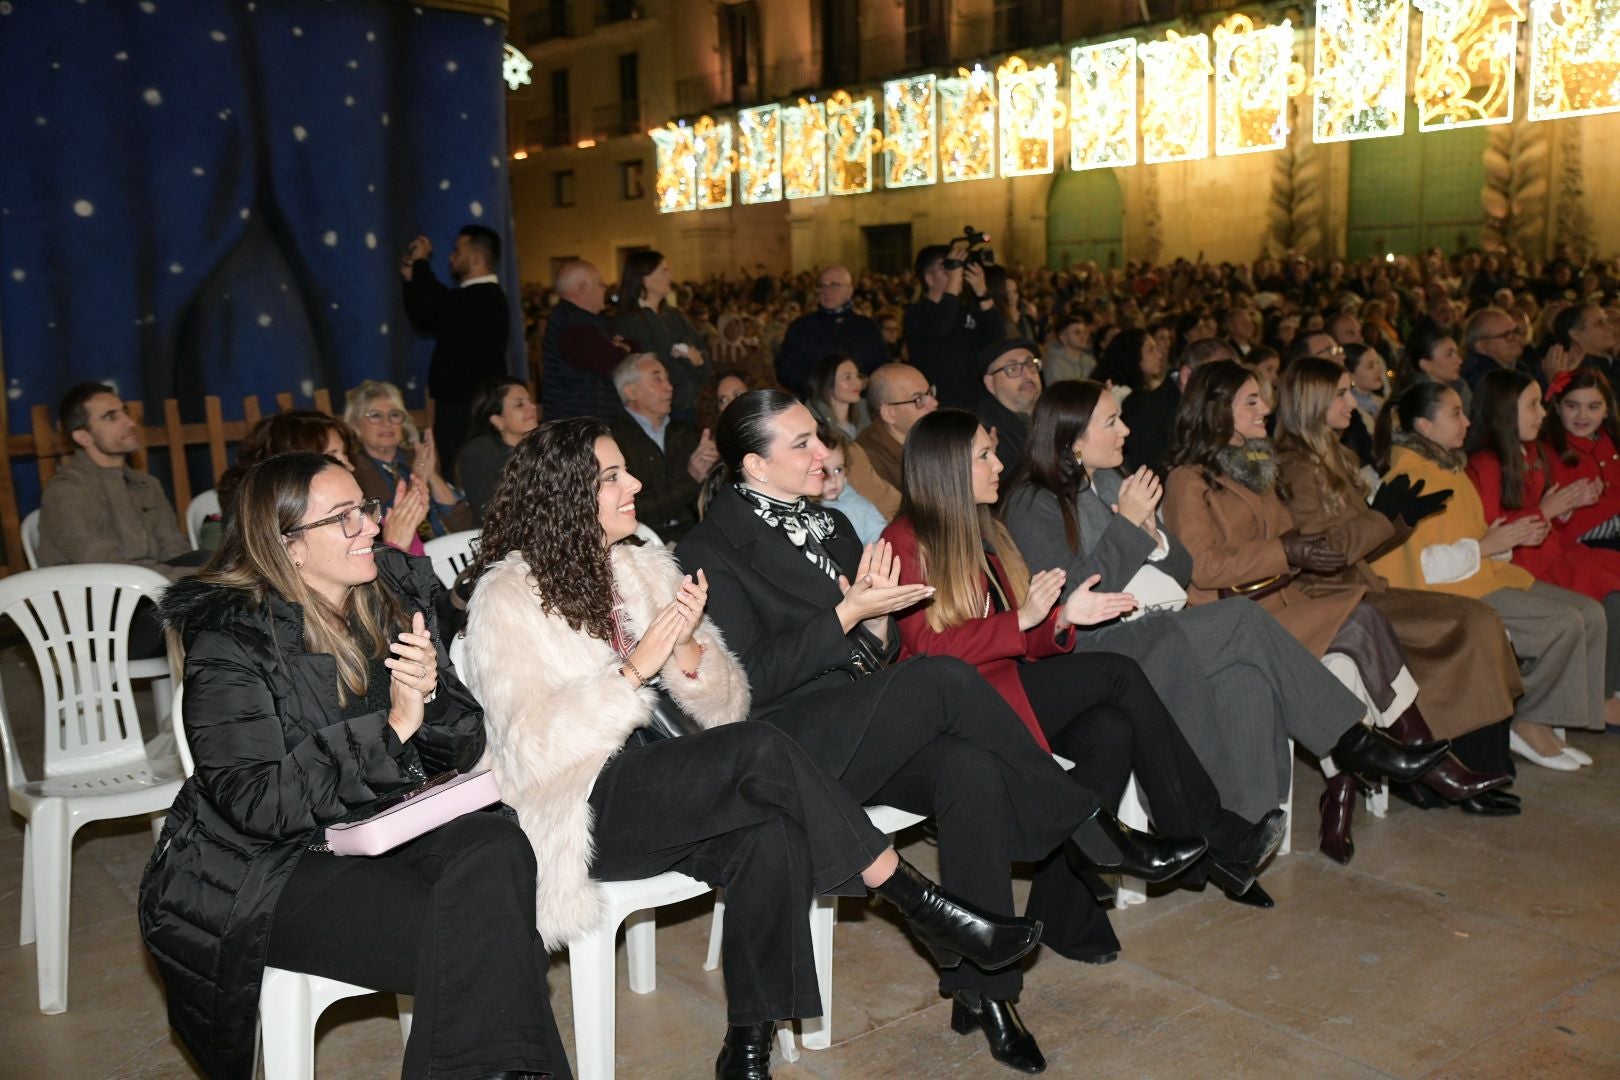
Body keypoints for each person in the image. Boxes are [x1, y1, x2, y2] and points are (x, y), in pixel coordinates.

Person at [463, 418, 1043, 1079]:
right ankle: (914, 899)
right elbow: (527, 749)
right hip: (585, 807)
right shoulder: (506, 598)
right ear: (567, 495)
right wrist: (629, 673)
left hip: (676, 777)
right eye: (614, 477)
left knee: (771, 829)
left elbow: (728, 701)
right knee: (762, 750)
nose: (637, 485)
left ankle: (745, 1052)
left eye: (627, 470)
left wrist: (687, 656)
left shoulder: (643, 567)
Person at [678, 391, 1209, 1072]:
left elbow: (880, 652)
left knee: (972, 771)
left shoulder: (833, 528)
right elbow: (748, 681)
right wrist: (846, 616)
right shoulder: (711, 548)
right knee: (946, 679)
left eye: (819, 437)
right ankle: (1093, 833)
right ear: (753, 465)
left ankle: (986, 992)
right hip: (790, 749)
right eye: (802, 444)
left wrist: (868, 625)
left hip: (861, 721)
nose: (823, 454)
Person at [139, 451, 569, 1080]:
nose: (371, 525)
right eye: (343, 518)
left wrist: (433, 698)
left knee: (495, 844)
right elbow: (259, 804)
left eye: (363, 508)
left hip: (379, 824)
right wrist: (393, 727)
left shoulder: (384, 600)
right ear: (289, 547)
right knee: (490, 936)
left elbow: (459, 741)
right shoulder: (230, 642)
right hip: (263, 871)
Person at [1002, 380, 1431, 866]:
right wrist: (1129, 528)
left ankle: (1238, 845)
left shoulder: (1107, 480)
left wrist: (1155, 539)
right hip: (1094, 649)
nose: (1126, 429)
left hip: (1153, 623)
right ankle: (1350, 740)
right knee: (1243, 622)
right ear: (1074, 439)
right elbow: (1072, 598)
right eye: (1111, 422)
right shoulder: (1032, 502)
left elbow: (1183, 571)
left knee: (1245, 682)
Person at [884, 409, 1291, 914]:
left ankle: (1070, 910)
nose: (998, 463)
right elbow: (929, 650)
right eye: (983, 456)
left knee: (1111, 727)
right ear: (946, 468)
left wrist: (1059, 619)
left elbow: (1023, 639)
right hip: (960, 711)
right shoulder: (902, 540)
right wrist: (1026, 621)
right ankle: (1212, 831)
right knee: (1119, 673)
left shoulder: (983, 532)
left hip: (1006, 687)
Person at [1163, 361, 1454, 863]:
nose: (1265, 409)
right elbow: (1204, 566)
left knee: (1360, 619)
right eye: (1251, 402)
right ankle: (1415, 756)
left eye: (1263, 399)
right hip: (1240, 622)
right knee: (1360, 618)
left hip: (1283, 601)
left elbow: (1290, 542)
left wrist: (1301, 552)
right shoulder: (1188, 481)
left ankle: (1371, 774)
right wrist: (1289, 553)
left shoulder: (1257, 466)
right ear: (1216, 413)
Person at [1272, 358, 1520, 813]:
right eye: (1342, 394)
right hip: (1333, 602)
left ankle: (1467, 767)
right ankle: (1435, 774)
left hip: (1361, 587)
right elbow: (1325, 554)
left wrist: (1402, 519)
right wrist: (1382, 516)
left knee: (1479, 619)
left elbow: (1363, 543)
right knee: (1465, 624)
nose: (1354, 403)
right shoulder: (1294, 468)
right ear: (1312, 401)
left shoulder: (1331, 454)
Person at [1370, 381, 1608, 772]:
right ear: (1424, 426)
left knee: (1590, 612)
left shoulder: (1448, 466)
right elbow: (1418, 567)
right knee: (1563, 622)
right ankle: (1528, 719)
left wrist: (1504, 539)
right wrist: (1484, 547)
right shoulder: (1408, 475)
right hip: (1446, 593)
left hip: (1482, 573)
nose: (1466, 421)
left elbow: (1471, 537)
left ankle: (1545, 717)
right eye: (1454, 414)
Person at [1463, 368, 1620, 753]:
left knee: (1605, 591)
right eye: (1533, 405)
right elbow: (1491, 529)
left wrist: (1563, 508)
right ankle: (1570, 706)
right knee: (1603, 600)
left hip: (1547, 551)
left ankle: (1568, 709)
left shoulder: (1529, 452)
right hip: (1521, 563)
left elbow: (1539, 506)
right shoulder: (1487, 463)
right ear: (1504, 412)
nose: (1542, 414)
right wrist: (1549, 511)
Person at [38, 382, 202, 581]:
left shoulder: (146, 484)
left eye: (124, 412)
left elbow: (176, 551)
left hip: (149, 585)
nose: (130, 422)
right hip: (99, 601)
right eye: (110, 417)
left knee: (207, 561)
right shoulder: (66, 491)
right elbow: (105, 566)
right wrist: (192, 579)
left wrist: (207, 576)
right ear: (83, 437)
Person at [400, 225, 510, 468]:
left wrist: (421, 264)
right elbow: (426, 319)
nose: (451, 257)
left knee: (467, 471)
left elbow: (443, 306)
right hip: (456, 407)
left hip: (472, 408)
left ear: (476, 258)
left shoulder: (487, 297)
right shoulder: (467, 300)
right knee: (454, 468)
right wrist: (411, 282)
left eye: (457, 250)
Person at [344, 380, 474, 540]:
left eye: (395, 415)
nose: (388, 423)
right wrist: (418, 478)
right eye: (376, 415)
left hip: (446, 550)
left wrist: (431, 473)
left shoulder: (415, 456)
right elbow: (383, 531)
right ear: (356, 425)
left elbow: (463, 522)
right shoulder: (352, 470)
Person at [609, 352, 716, 543]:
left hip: (694, 537)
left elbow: (709, 503)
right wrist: (690, 478)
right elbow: (630, 510)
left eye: (667, 379)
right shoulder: (612, 442)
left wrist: (713, 472)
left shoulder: (685, 433)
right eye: (657, 380)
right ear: (631, 392)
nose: (669, 387)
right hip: (640, 544)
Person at [903, 244, 1005, 408]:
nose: (955, 272)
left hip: (976, 401)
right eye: (947, 269)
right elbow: (940, 330)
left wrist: (982, 292)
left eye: (956, 267)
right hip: (940, 405)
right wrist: (954, 281)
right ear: (929, 278)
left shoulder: (965, 309)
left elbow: (998, 340)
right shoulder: (916, 314)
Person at [613, 250, 709, 422]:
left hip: (692, 405)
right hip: (659, 412)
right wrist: (690, 362)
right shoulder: (630, 321)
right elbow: (656, 367)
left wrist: (694, 362)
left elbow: (704, 358)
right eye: (663, 271)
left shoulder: (674, 315)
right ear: (644, 278)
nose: (670, 277)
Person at [775, 265, 888, 395]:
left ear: (849, 291)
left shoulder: (867, 327)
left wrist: (862, 383)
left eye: (834, 285)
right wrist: (820, 385)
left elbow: (881, 365)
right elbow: (786, 368)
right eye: (822, 286)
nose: (827, 291)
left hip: (859, 404)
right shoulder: (801, 327)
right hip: (814, 403)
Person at [1541, 368, 1620, 553]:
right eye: (1572, 406)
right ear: (1557, 407)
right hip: (1584, 543)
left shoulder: (1609, 440)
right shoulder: (1549, 451)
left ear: (1607, 410)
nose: (1582, 415)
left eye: (1593, 407)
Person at [541, 260, 631, 421]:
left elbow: (630, 346)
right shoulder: (573, 326)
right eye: (600, 284)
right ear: (583, 288)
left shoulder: (583, 320)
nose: (604, 289)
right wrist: (623, 349)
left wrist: (622, 347)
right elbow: (615, 361)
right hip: (577, 426)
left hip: (586, 421)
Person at [455, 377, 539, 523]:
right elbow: (490, 514)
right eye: (520, 404)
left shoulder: (543, 444)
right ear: (497, 420)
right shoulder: (480, 454)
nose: (532, 407)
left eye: (530, 401)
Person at [1098, 329, 1176, 478]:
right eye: (1150, 350)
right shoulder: (1119, 395)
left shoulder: (1148, 389)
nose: (1159, 355)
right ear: (1132, 355)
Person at [857, 362, 937, 492]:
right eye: (918, 399)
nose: (934, 402)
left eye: (930, 393)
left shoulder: (934, 435)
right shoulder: (866, 461)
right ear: (889, 413)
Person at [974, 339, 1043, 471]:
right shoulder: (987, 434)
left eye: (1030, 364)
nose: (1027, 374)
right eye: (1012, 369)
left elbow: (1077, 458)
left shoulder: (1054, 413)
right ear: (990, 383)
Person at [816, 427, 886, 544]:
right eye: (824, 472)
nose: (833, 479)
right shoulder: (808, 512)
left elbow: (880, 533)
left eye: (838, 470)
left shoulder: (857, 503)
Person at [1461, 306, 1536, 390]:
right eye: (1506, 335)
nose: (1518, 338)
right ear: (1482, 346)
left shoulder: (1519, 363)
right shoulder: (1482, 379)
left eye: (1516, 331)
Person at [1400, 326, 1472, 412]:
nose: (1460, 361)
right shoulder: (1414, 404)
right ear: (1426, 364)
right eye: (1449, 355)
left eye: (1457, 353)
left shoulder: (1460, 388)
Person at [806, 352, 871, 439]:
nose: (858, 383)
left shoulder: (865, 413)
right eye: (847, 377)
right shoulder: (811, 422)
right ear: (827, 382)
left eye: (857, 376)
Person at [1043, 314, 1095, 384]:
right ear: (1063, 337)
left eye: (1084, 332)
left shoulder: (1090, 361)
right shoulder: (1055, 362)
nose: (1083, 336)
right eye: (1077, 332)